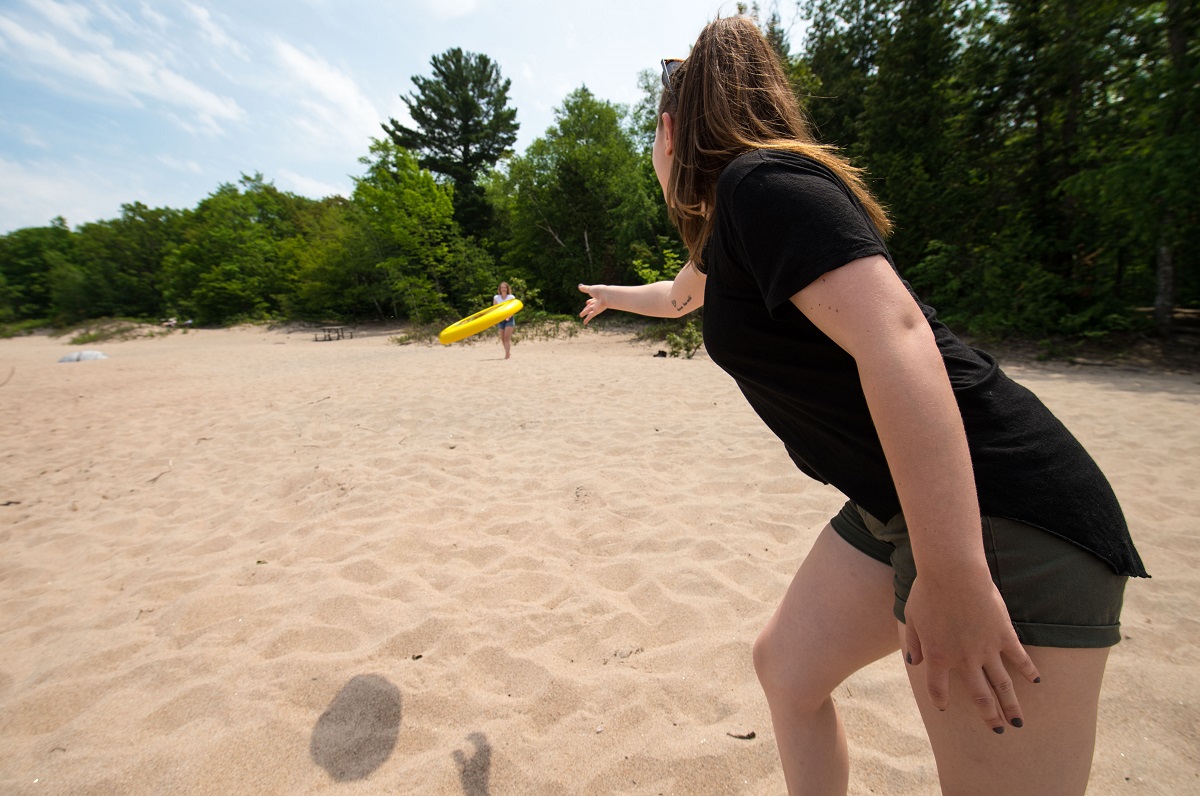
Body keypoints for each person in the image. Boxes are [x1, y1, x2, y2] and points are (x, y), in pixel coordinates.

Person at [578, 16, 1146, 796]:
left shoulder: (761, 184)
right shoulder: (732, 229)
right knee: (787, 666)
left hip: (1003, 513)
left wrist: (951, 572)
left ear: (669, 129)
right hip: (899, 509)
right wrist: (607, 295)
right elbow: (680, 299)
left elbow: (900, 338)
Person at [494, 281, 517, 359]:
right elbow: (495, 309)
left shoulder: (511, 297)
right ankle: (508, 352)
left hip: (509, 319)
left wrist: (509, 316)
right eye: (502, 288)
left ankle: (507, 355)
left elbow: (514, 308)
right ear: (500, 289)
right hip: (501, 319)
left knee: (507, 338)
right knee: (503, 339)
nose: (503, 289)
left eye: (505, 287)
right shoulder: (496, 297)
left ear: (507, 288)